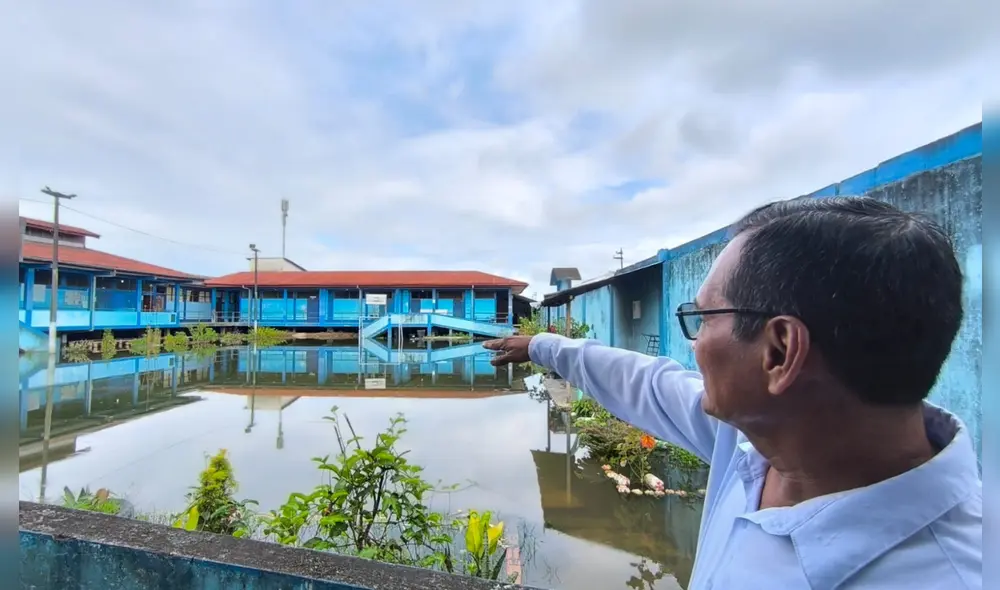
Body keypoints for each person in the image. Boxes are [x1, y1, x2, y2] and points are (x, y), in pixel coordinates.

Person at [485, 197, 982, 589]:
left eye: (702, 319)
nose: (696, 345)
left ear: (780, 351)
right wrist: (542, 345)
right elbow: (645, 382)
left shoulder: (951, 574)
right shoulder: (759, 439)